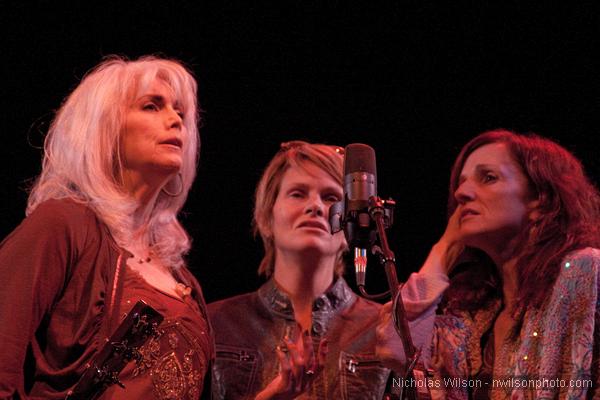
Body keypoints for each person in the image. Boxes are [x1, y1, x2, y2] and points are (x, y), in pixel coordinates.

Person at [0, 56, 213, 399]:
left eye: (181, 113)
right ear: (104, 127)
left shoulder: (183, 281)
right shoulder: (63, 225)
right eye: (151, 106)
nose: (175, 120)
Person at [376, 129, 600, 399]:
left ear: (540, 199)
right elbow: (395, 349)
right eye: (461, 182)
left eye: (488, 178)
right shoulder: (476, 318)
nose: (461, 192)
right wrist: (443, 250)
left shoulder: (584, 270)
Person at [208, 141, 390, 399]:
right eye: (297, 193)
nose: (315, 206)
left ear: (350, 226)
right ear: (267, 218)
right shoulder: (216, 323)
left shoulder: (382, 328)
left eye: (330, 198)